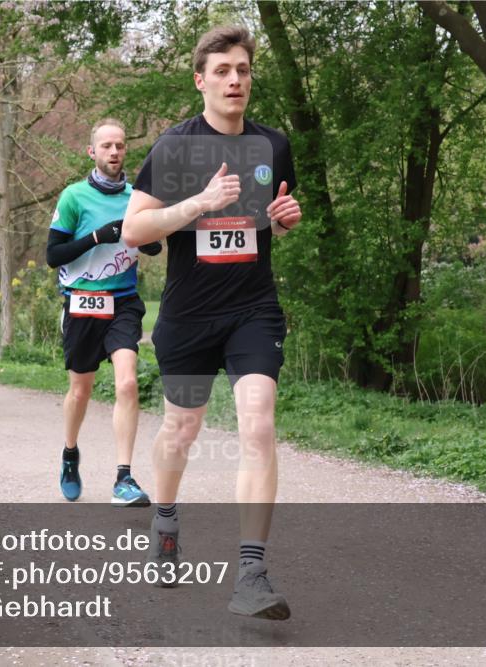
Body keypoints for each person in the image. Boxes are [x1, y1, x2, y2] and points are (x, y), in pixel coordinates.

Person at [122, 26, 302, 620]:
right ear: (201, 80)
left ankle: (252, 572)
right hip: (189, 315)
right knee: (181, 429)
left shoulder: (274, 145)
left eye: (243, 70)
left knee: (258, 425)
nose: (234, 80)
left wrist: (283, 218)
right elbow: (135, 231)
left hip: (253, 309)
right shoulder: (175, 148)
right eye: (223, 70)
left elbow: (267, 222)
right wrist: (198, 203)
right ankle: (166, 520)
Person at [46, 118, 162, 506]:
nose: (115, 152)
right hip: (81, 302)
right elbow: (53, 256)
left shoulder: (136, 196)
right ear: (92, 152)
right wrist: (97, 236)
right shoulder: (73, 197)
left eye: (121, 145)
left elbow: (153, 249)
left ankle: (123, 479)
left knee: (128, 383)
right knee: (81, 390)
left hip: (123, 302)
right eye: (107, 146)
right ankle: (69, 452)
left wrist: (141, 235)